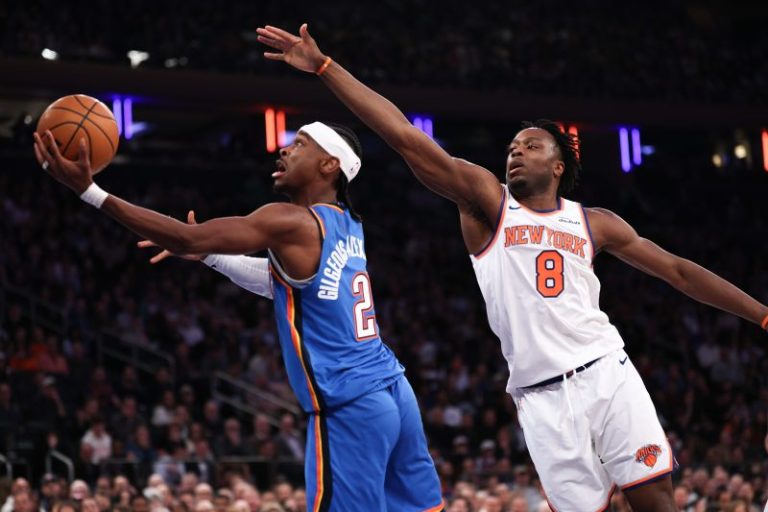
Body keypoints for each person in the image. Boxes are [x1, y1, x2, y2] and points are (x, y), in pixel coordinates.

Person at [254, 23, 768, 512]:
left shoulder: (596, 222)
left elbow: (678, 271)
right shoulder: (489, 204)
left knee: (656, 500)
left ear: (558, 165)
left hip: (607, 371)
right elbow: (406, 137)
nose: (516, 153)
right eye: (512, 148)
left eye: (531, 146)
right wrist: (325, 67)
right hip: (541, 398)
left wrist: (762, 315)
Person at [33, 120, 443, 511]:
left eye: (300, 144)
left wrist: (90, 191)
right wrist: (211, 256)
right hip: (395, 390)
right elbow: (278, 282)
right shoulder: (349, 225)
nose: (285, 149)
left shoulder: (288, 219)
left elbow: (186, 237)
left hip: (353, 403)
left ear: (329, 164)